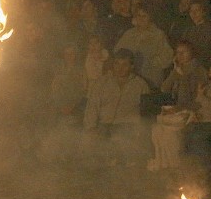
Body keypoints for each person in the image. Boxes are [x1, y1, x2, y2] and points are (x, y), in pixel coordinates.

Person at [82, 48, 150, 167]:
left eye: (125, 65)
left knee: (125, 155)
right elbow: (92, 107)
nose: (120, 68)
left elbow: (147, 113)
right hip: (105, 125)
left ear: (132, 66)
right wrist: (91, 127)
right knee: (89, 147)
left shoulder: (140, 85)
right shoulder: (102, 82)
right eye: (117, 64)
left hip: (128, 126)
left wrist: (141, 131)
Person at [148, 40, 208, 171]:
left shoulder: (199, 71)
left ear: (191, 53)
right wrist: (175, 72)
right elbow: (164, 88)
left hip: (195, 113)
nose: (179, 56)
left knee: (169, 133)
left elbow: (198, 101)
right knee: (157, 129)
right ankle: (164, 164)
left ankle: (175, 165)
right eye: (177, 53)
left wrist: (178, 109)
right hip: (180, 111)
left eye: (183, 52)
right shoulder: (179, 70)